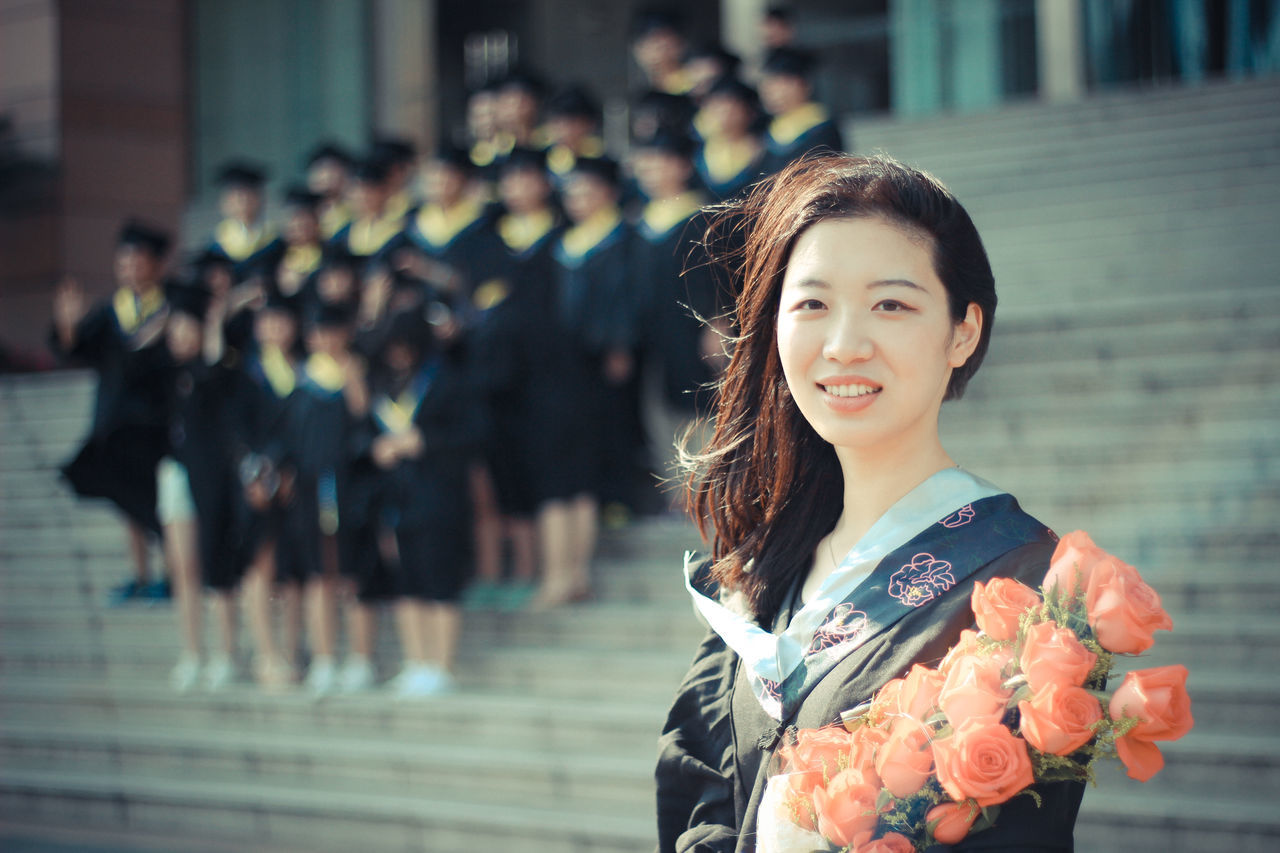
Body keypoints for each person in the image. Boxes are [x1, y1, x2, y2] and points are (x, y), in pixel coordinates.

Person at [655, 154, 1084, 851]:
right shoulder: (759, 568)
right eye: (813, 304)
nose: (844, 345)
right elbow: (698, 805)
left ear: (963, 331)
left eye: (891, 304)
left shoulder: (1027, 584)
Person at [50, 220, 174, 605]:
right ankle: (139, 575)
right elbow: (74, 351)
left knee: (159, 503)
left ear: (156, 265)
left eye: (139, 260)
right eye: (125, 261)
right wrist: (68, 326)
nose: (131, 267)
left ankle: (172, 574)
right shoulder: (109, 313)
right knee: (128, 503)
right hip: (115, 423)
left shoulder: (170, 311)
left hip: (156, 424)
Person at [160, 278, 246, 692]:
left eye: (185, 328)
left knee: (214, 560)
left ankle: (225, 655)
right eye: (173, 328)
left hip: (210, 476)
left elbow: (216, 371)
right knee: (182, 567)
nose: (178, 336)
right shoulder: (170, 374)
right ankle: (191, 653)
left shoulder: (216, 370)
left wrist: (215, 324)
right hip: (174, 473)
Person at [758, 47, 844, 175]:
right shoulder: (770, 131)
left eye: (782, 83)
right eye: (769, 84)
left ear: (805, 86)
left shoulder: (821, 127)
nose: (771, 92)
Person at [206, 160, 285, 283]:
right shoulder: (215, 244)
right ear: (224, 204)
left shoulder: (275, 241)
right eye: (235, 197)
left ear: (260, 200)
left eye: (247, 195)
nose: (242, 202)